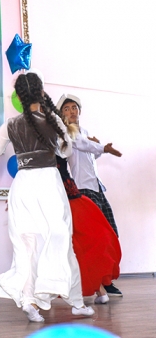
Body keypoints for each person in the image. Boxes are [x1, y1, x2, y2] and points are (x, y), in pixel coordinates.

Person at [0, 73, 94, 323]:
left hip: (23, 186)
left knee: (27, 246)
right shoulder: (54, 120)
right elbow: (66, 151)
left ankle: (29, 302)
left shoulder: (11, 124)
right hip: (48, 183)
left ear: (20, 96)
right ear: (41, 92)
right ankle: (76, 303)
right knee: (60, 241)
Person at [57, 93, 123, 297]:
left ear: (79, 111)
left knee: (111, 233)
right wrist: (102, 147)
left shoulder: (84, 132)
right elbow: (82, 145)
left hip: (97, 188)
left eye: (74, 108)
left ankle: (106, 279)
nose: (71, 111)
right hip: (83, 190)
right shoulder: (67, 133)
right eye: (66, 109)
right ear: (61, 114)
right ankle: (101, 283)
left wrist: (99, 147)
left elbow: (90, 153)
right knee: (97, 238)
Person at [56, 156, 121, 304]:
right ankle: (100, 289)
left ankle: (99, 288)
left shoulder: (49, 147)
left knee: (74, 243)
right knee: (81, 242)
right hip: (69, 197)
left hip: (65, 198)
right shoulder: (60, 146)